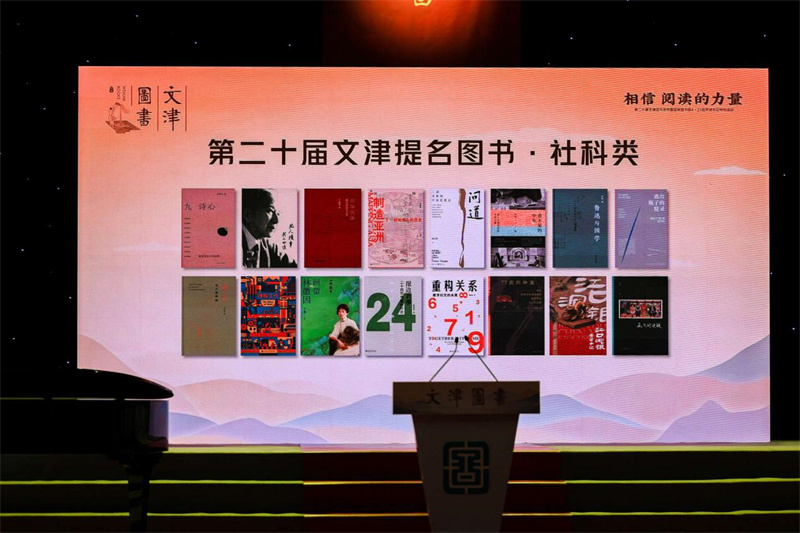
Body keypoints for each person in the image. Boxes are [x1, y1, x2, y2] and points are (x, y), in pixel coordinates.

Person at [241, 188, 296, 268]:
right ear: (248, 214)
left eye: (278, 213)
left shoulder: (267, 246)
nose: (276, 220)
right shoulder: (231, 246)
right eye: (270, 211)